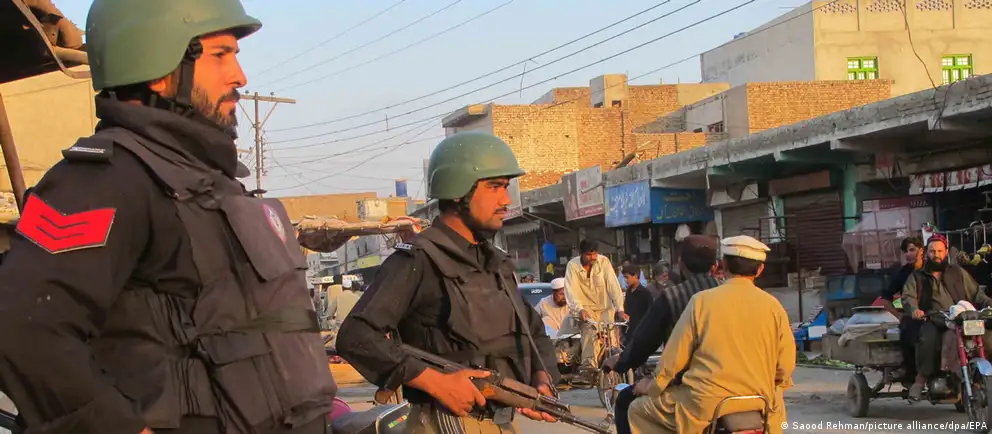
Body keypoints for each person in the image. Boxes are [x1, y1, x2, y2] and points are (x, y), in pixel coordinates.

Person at [0, 1, 338, 433]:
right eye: (221, 55)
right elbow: (24, 329)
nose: (239, 76)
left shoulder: (208, 183)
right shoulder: (105, 179)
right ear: (158, 69)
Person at [335, 132, 559, 433]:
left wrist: (541, 381)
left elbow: (533, 331)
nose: (505, 200)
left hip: (500, 423)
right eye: (494, 187)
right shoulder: (418, 260)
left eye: (506, 187)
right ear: (458, 191)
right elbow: (356, 336)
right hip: (441, 423)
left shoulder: (496, 263)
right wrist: (436, 383)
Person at [627, 235, 795, 434]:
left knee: (638, 410)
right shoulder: (774, 306)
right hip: (760, 402)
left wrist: (652, 386)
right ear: (760, 269)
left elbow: (673, 359)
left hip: (705, 404)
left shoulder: (701, 302)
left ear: (724, 265)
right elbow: (785, 367)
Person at [603, 235, 722, 434]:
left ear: (680, 262)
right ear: (715, 265)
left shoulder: (674, 298)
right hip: (744, 390)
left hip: (692, 391)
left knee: (625, 401)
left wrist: (622, 361)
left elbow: (645, 342)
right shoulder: (730, 295)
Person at [901, 234, 992, 401]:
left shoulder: (957, 272)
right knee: (928, 340)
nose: (936, 255)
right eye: (932, 251)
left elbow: (977, 294)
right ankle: (921, 379)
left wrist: (988, 303)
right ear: (926, 253)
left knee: (986, 337)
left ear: (946, 252)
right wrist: (914, 309)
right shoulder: (917, 276)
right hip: (934, 318)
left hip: (961, 317)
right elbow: (908, 297)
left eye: (939, 251)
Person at [563, 239, 628, 377]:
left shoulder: (604, 262)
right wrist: (579, 309)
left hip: (605, 309)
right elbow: (571, 291)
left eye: (595, 254)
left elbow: (613, 286)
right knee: (589, 332)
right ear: (581, 253)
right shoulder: (572, 266)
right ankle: (587, 367)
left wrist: (620, 309)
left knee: (611, 340)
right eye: (588, 254)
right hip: (585, 309)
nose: (592, 257)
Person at [877, 236, 923, 383]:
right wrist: (899, 315)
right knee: (909, 332)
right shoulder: (902, 274)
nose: (908, 254)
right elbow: (885, 299)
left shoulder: (932, 269)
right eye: (905, 252)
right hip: (912, 316)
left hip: (934, 313)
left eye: (912, 250)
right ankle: (911, 373)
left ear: (921, 250)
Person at [621, 264, 653, 347]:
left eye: (627, 277)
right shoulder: (629, 291)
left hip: (640, 330)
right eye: (624, 277)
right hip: (629, 329)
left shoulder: (645, 293)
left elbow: (650, 313)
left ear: (635, 276)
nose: (625, 280)